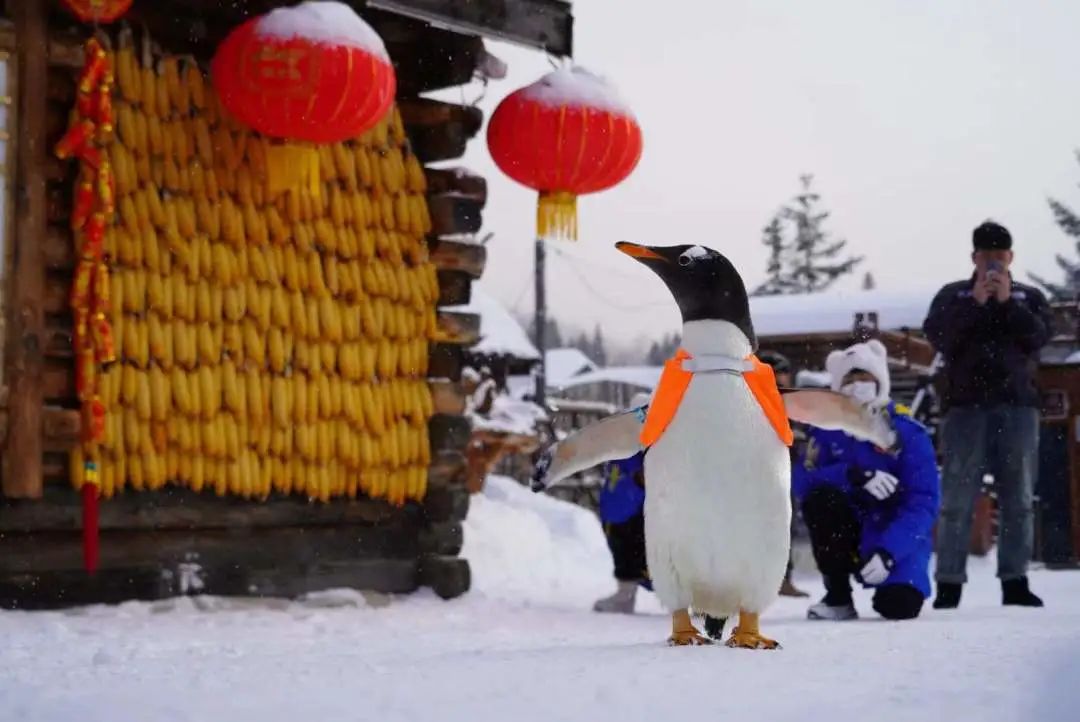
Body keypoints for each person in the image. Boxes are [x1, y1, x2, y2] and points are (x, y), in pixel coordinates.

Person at [923, 220, 1052, 609]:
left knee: (1018, 498)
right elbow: (940, 337)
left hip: (1017, 409)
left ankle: (1015, 581)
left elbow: (1038, 338)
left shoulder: (1028, 297)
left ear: (1010, 257)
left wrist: (1008, 302)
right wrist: (975, 304)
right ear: (974, 258)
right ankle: (949, 583)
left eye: (999, 256)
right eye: (986, 257)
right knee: (957, 499)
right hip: (965, 410)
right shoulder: (954, 296)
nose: (992, 264)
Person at [793, 340, 941, 621]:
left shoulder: (908, 433)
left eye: (865, 376)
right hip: (848, 533)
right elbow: (802, 481)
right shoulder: (826, 430)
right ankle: (838, 596)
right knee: (820, 499)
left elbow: (923, 503)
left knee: (899, 606)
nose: (858, 384)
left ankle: (893, 576)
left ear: (880, 379)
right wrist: (850, 476)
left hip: (895, 535)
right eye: (850, 378)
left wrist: (889, 551)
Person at [592, 392, 652, 614]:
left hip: (641, 516)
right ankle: (625, 595)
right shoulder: (621, 447)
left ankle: (698, 602)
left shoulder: (654, 447)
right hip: (619, 515)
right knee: (623, 546)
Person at [757, 350, 810, 599]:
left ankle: (782, 578)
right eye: (773, 374)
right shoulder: (747, 402)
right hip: (751, 475)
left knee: (782, 525)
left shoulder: (796, 404)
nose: (779, 380)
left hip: (786, 474)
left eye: (783, 374)